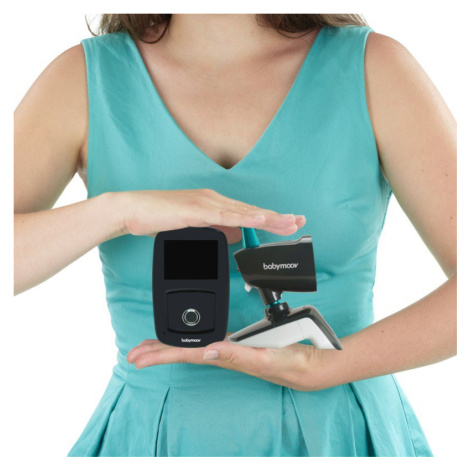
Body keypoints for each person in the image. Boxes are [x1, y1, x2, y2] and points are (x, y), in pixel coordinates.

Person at [14, 14, 456, 457]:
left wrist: (324, 366)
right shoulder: (82, 78)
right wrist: (120, 212)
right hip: (154, 438)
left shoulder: (376, 67)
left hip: (341, 434)